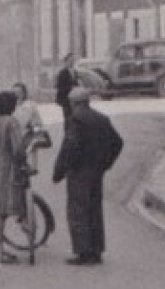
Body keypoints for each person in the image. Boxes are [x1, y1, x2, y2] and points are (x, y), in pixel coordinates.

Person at [52, 86, 124, 266]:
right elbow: (117, 142)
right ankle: (96, 249)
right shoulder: (101, 119)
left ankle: (83, 251)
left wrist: (59, 171)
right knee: (94, 209)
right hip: (96, 170)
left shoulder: (75, 121)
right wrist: (106, 163)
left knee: (78, 210)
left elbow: (69, 148)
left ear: (75, 103)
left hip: (78, 171)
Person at [0, 91, 31, 264]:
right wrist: (24, 163)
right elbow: (18, 149)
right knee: (4, 210)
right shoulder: (11, 123)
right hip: (7, 166)